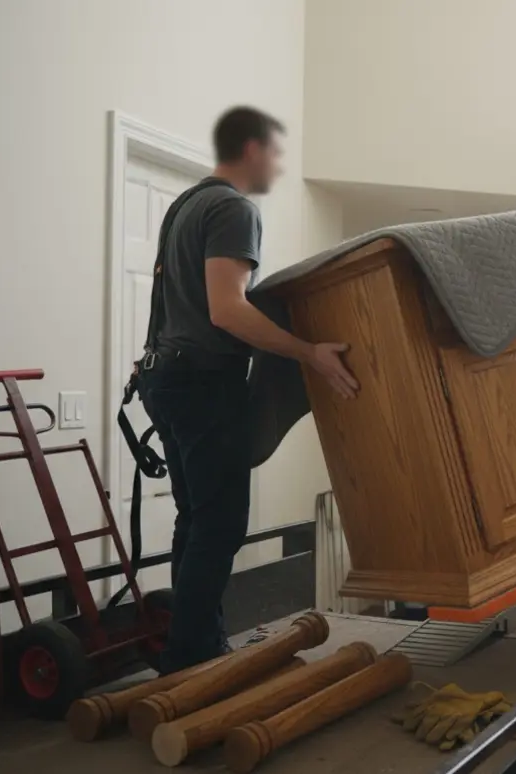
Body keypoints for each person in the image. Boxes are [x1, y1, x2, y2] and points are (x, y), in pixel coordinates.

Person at [137, 106, 359, 674]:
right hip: (202, 382)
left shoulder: (185, 206)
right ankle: (189, 659)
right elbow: (228, 310)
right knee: (220, 523)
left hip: (166, 378)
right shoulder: (234, 208)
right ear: (253, 150)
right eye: (276, 155)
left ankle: (198, 647)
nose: (279, 168)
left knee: (196, 519)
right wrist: (307, 351)